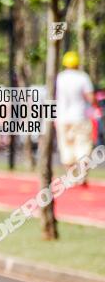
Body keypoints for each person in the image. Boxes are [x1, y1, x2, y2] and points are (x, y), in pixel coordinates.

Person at [55, 51, 95, 185]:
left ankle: (71, 178)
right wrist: (95, 104)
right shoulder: (83, 77)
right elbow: (90, 97)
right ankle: (82, 177)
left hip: (62, 119)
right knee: (82, 146)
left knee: (66, 147)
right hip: (80, 118)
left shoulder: (59, 78)